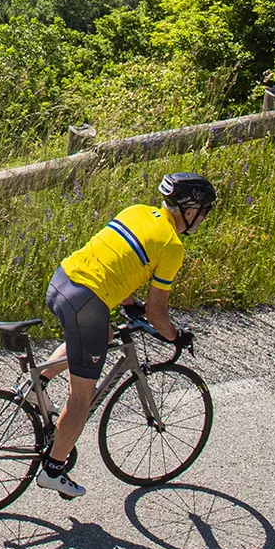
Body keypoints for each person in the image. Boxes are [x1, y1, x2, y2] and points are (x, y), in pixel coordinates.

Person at [34, 171, 214, 498]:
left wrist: (130, 305)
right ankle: (53, 469)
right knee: (81, 398)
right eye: (203, 213)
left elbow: (117, 263)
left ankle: (39, 385)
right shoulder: (172, 246)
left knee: (101, 335)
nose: (202, 220)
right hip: (87, 303)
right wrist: (175, 336)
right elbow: (158, 314)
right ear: (189, 211)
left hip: (62, 281)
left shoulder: (137, 211)